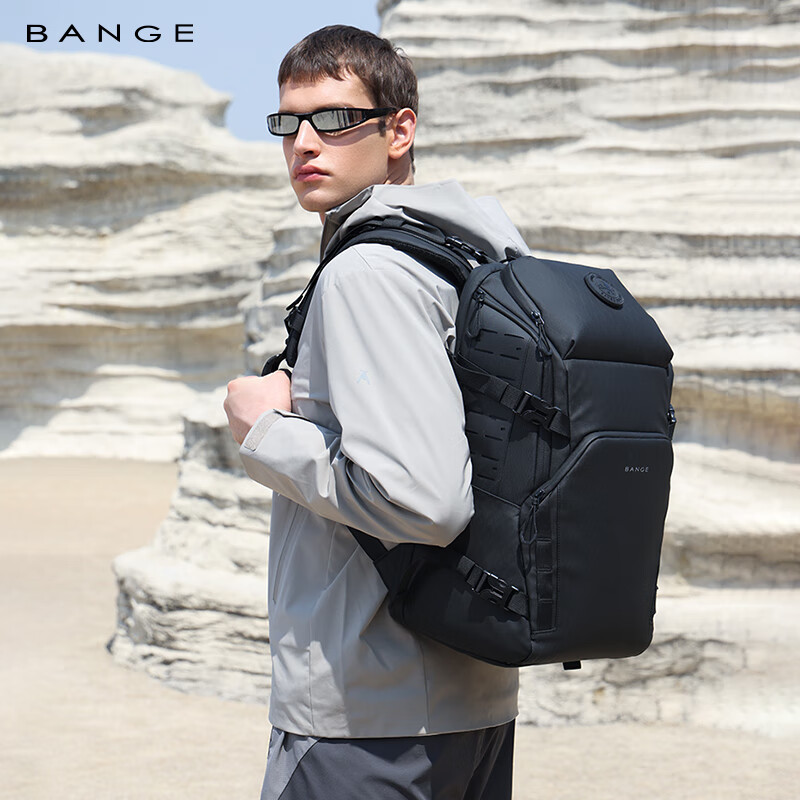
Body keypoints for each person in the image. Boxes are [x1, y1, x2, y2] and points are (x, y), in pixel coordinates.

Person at [223, 25, 531, 800]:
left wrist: (265, 432)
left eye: (335, 119)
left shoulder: (369, 273)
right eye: (288, 122)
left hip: (363, 715)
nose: (304, 143)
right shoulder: (471, 257)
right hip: (471, 698)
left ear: (399, 130)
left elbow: (421, 498)